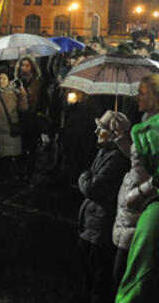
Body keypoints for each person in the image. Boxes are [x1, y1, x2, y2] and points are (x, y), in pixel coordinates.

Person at [76, 110, 129, 303]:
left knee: (98, 277)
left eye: (102, 128)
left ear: (114, 133)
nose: (96, 131)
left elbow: (93, 187)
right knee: (87, 272)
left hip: (100, 227)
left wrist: (83, 177)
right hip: (91, 223)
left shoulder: (116, 159)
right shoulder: (104, 151)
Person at [111, 74, 159, 285]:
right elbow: (138, 161)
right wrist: (121, 136)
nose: (136, 98)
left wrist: (137, 195)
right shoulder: (145, 122)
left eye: (142, 93)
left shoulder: (155, 131)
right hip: (131, 205)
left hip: (143, 208)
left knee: (126, 276)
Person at [14, 56, 43, 183]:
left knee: (32, 149)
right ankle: (20, 172)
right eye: (22, 65)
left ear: (32, 67)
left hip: (34, 119)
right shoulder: (16, 82)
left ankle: (30, 173)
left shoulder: (38, 82)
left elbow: (42, 100)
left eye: (27, 65)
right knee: (20, 148)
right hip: (21, 118)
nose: (24, 68)